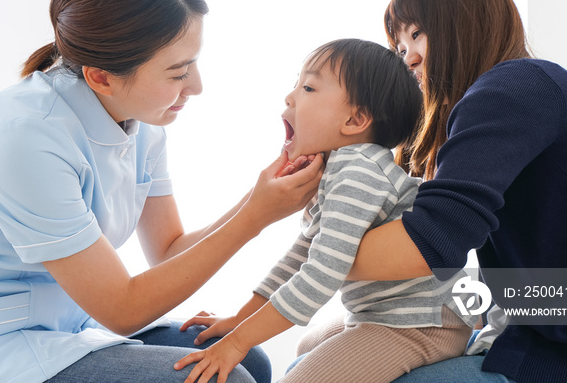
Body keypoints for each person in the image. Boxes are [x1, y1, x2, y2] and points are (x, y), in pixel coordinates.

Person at [0, 0, 324, 383]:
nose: (197, 85)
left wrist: (260, 196)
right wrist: (255, 216)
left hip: (61, 324)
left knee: (249, 359)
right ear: (101, 76)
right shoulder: (22, 141)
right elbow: (123, 310)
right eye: (177, 72)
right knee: (223, 380)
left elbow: (167, 251)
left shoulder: (141, 121)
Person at [344, 0, 567, 382]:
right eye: (400, 48)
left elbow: (432, 241)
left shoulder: (512, 87)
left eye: (417, 34)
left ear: (465, 22)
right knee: (327, 343)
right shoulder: (510, 96)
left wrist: (321, 261)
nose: (410, 58)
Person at [173, 39, 477, 383]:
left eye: (308, 87)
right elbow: (300, 255)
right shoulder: (337, 167)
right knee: (306, 344)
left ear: (356, 119)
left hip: (419, 322)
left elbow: (321, 273)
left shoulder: (357, 170)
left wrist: (238, 342)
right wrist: (240, 320)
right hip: (386, 311)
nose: (290, 97)